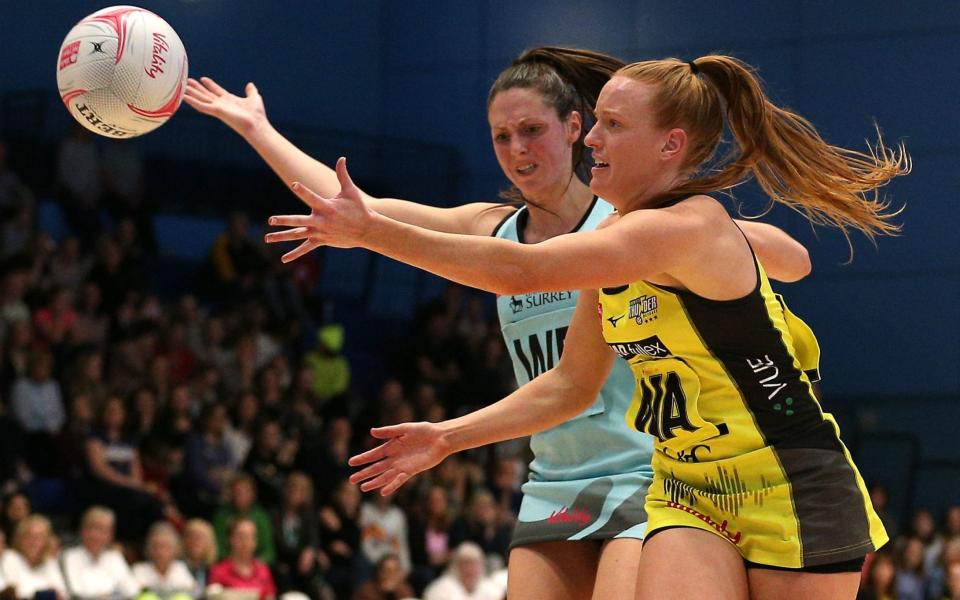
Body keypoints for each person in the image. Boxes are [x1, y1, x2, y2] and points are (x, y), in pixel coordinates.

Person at [271, 53, 908, 600]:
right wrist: (447, 438)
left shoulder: (684, 226)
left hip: (789, 479)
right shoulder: (616, 245)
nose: (593, 139)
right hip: (688, 485)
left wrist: (372, 233)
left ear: (670, 145)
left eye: (612, 124)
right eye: (595, 121)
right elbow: (570, 384)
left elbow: (518, 273)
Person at [61, 506, 141, 599]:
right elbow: (77, 592)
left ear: (111, 534)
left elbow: (132, 590)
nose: (96, 535)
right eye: (91, 528)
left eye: (102, 530)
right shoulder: (69, 556)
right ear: (82, 530)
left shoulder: (114, 557)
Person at [0, 515, 68, 600]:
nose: (33, 542)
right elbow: (11, 592)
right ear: (19, 538)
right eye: (28, 536)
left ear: (47, 541)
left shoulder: (50, 563)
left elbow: (62, 594)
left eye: (39, 537)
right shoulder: (8, 558)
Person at [208, 517, 277, 600]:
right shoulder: (219, 571)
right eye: (241, 536)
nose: (245, 541)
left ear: (255, 541)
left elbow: (270, 597)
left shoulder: (263, 570)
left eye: (250, 536)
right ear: (231, 539)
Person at [131, 522, 197, 597]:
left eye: (165, 547)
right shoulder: (139, 569)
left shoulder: (180, 567)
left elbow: (191, 590)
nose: (160, 552)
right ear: (148, 549)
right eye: (156, 546)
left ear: (174, 549)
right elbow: (132, 592)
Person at [422, 542, 503, 600]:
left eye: (474, 564)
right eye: (466, 563)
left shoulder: (491, 589)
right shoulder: (440, 589)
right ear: (456, 566)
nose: (470, 569)